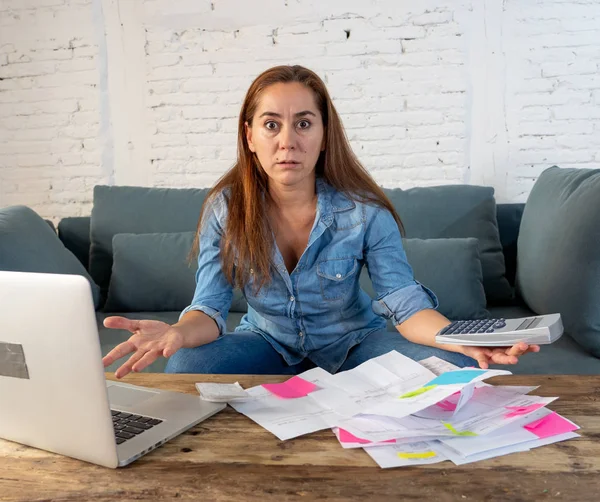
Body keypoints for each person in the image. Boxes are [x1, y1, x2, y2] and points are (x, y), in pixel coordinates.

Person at [102, 65, 539, 379]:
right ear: (249, 136)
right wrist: (179, 332)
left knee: (457, 366)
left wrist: (456, 339)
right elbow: (210, 310)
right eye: (271, 125)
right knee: (187, 366)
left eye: (304, 123)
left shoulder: (366, 211)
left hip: (354, 345)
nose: (287, 141)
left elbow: (404, 306)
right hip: (266, 344)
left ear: (324, 134)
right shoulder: (226, 209)